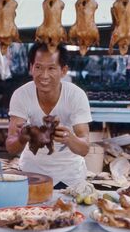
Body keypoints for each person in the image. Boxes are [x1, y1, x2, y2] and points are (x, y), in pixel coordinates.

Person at [5, 43, 92, 187]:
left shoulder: (76, 96)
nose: (44, 75)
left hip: (70, 177)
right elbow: (10, 147)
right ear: (31, 68)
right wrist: (21, 138)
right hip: (31, 174)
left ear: (63, 71)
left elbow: (84, 149)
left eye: (51, 68)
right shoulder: (21, 95)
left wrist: (69, 138)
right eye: (38, 67)